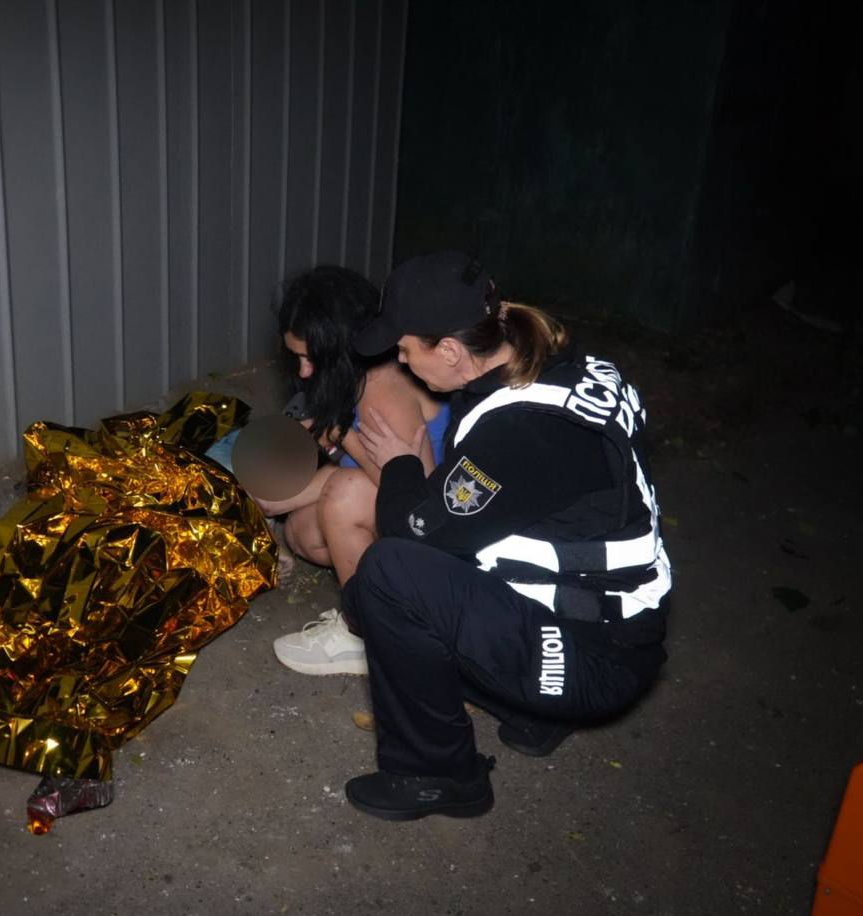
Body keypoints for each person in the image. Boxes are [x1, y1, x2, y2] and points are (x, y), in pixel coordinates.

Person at [290, 250, 672, 821]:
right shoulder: (558, 362)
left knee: (389, 575)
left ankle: (437, 774)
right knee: (437, 573)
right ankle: (535, 715)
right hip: (611, 622)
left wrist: (400, 463)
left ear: (449, 350)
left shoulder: (523, 433)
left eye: (405, 349)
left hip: (593, 659)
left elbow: (414, 531)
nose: (399, 360)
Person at [247, 268, 448, 620]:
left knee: (342, 494)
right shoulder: (359, 373)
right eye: (297, 357)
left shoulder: (381, 390)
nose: (304, 372)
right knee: (300, 531)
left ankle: (370, 619)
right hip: (376, 481)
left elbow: (413, 494)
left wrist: (341, 436)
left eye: (312, 358)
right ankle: (372, 569)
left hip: (426, 519)